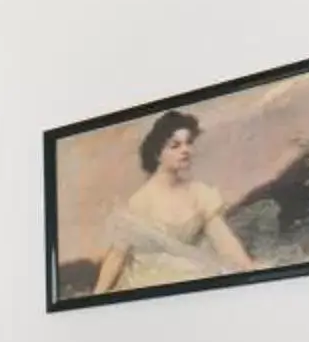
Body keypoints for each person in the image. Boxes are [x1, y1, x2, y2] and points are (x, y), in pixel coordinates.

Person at [92, 110, 255, 294]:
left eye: (188, 143)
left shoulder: (199, 193)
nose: (185, 150)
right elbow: (117, 255)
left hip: (191, 278)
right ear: (158, 153)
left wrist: (249, 270)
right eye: (175, 145)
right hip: (149, 284)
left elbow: (224, 241)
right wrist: (96, 295)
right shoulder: (140, 201)